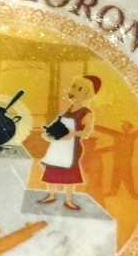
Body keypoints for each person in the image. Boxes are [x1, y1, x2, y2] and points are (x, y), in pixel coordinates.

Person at [38, 75, 101, 211]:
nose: (73, 91)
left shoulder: (87, 113)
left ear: (87, 94)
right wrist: (49, 134)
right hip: (58, 146)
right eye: (73, 87)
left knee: (69, 173)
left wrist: (73, 134)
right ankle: (51, 195)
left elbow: (86, 133)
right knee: (52, 169)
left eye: (79, 89)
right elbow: (58, 125)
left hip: (72, 148)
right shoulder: (68, 109)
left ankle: (68, 200)